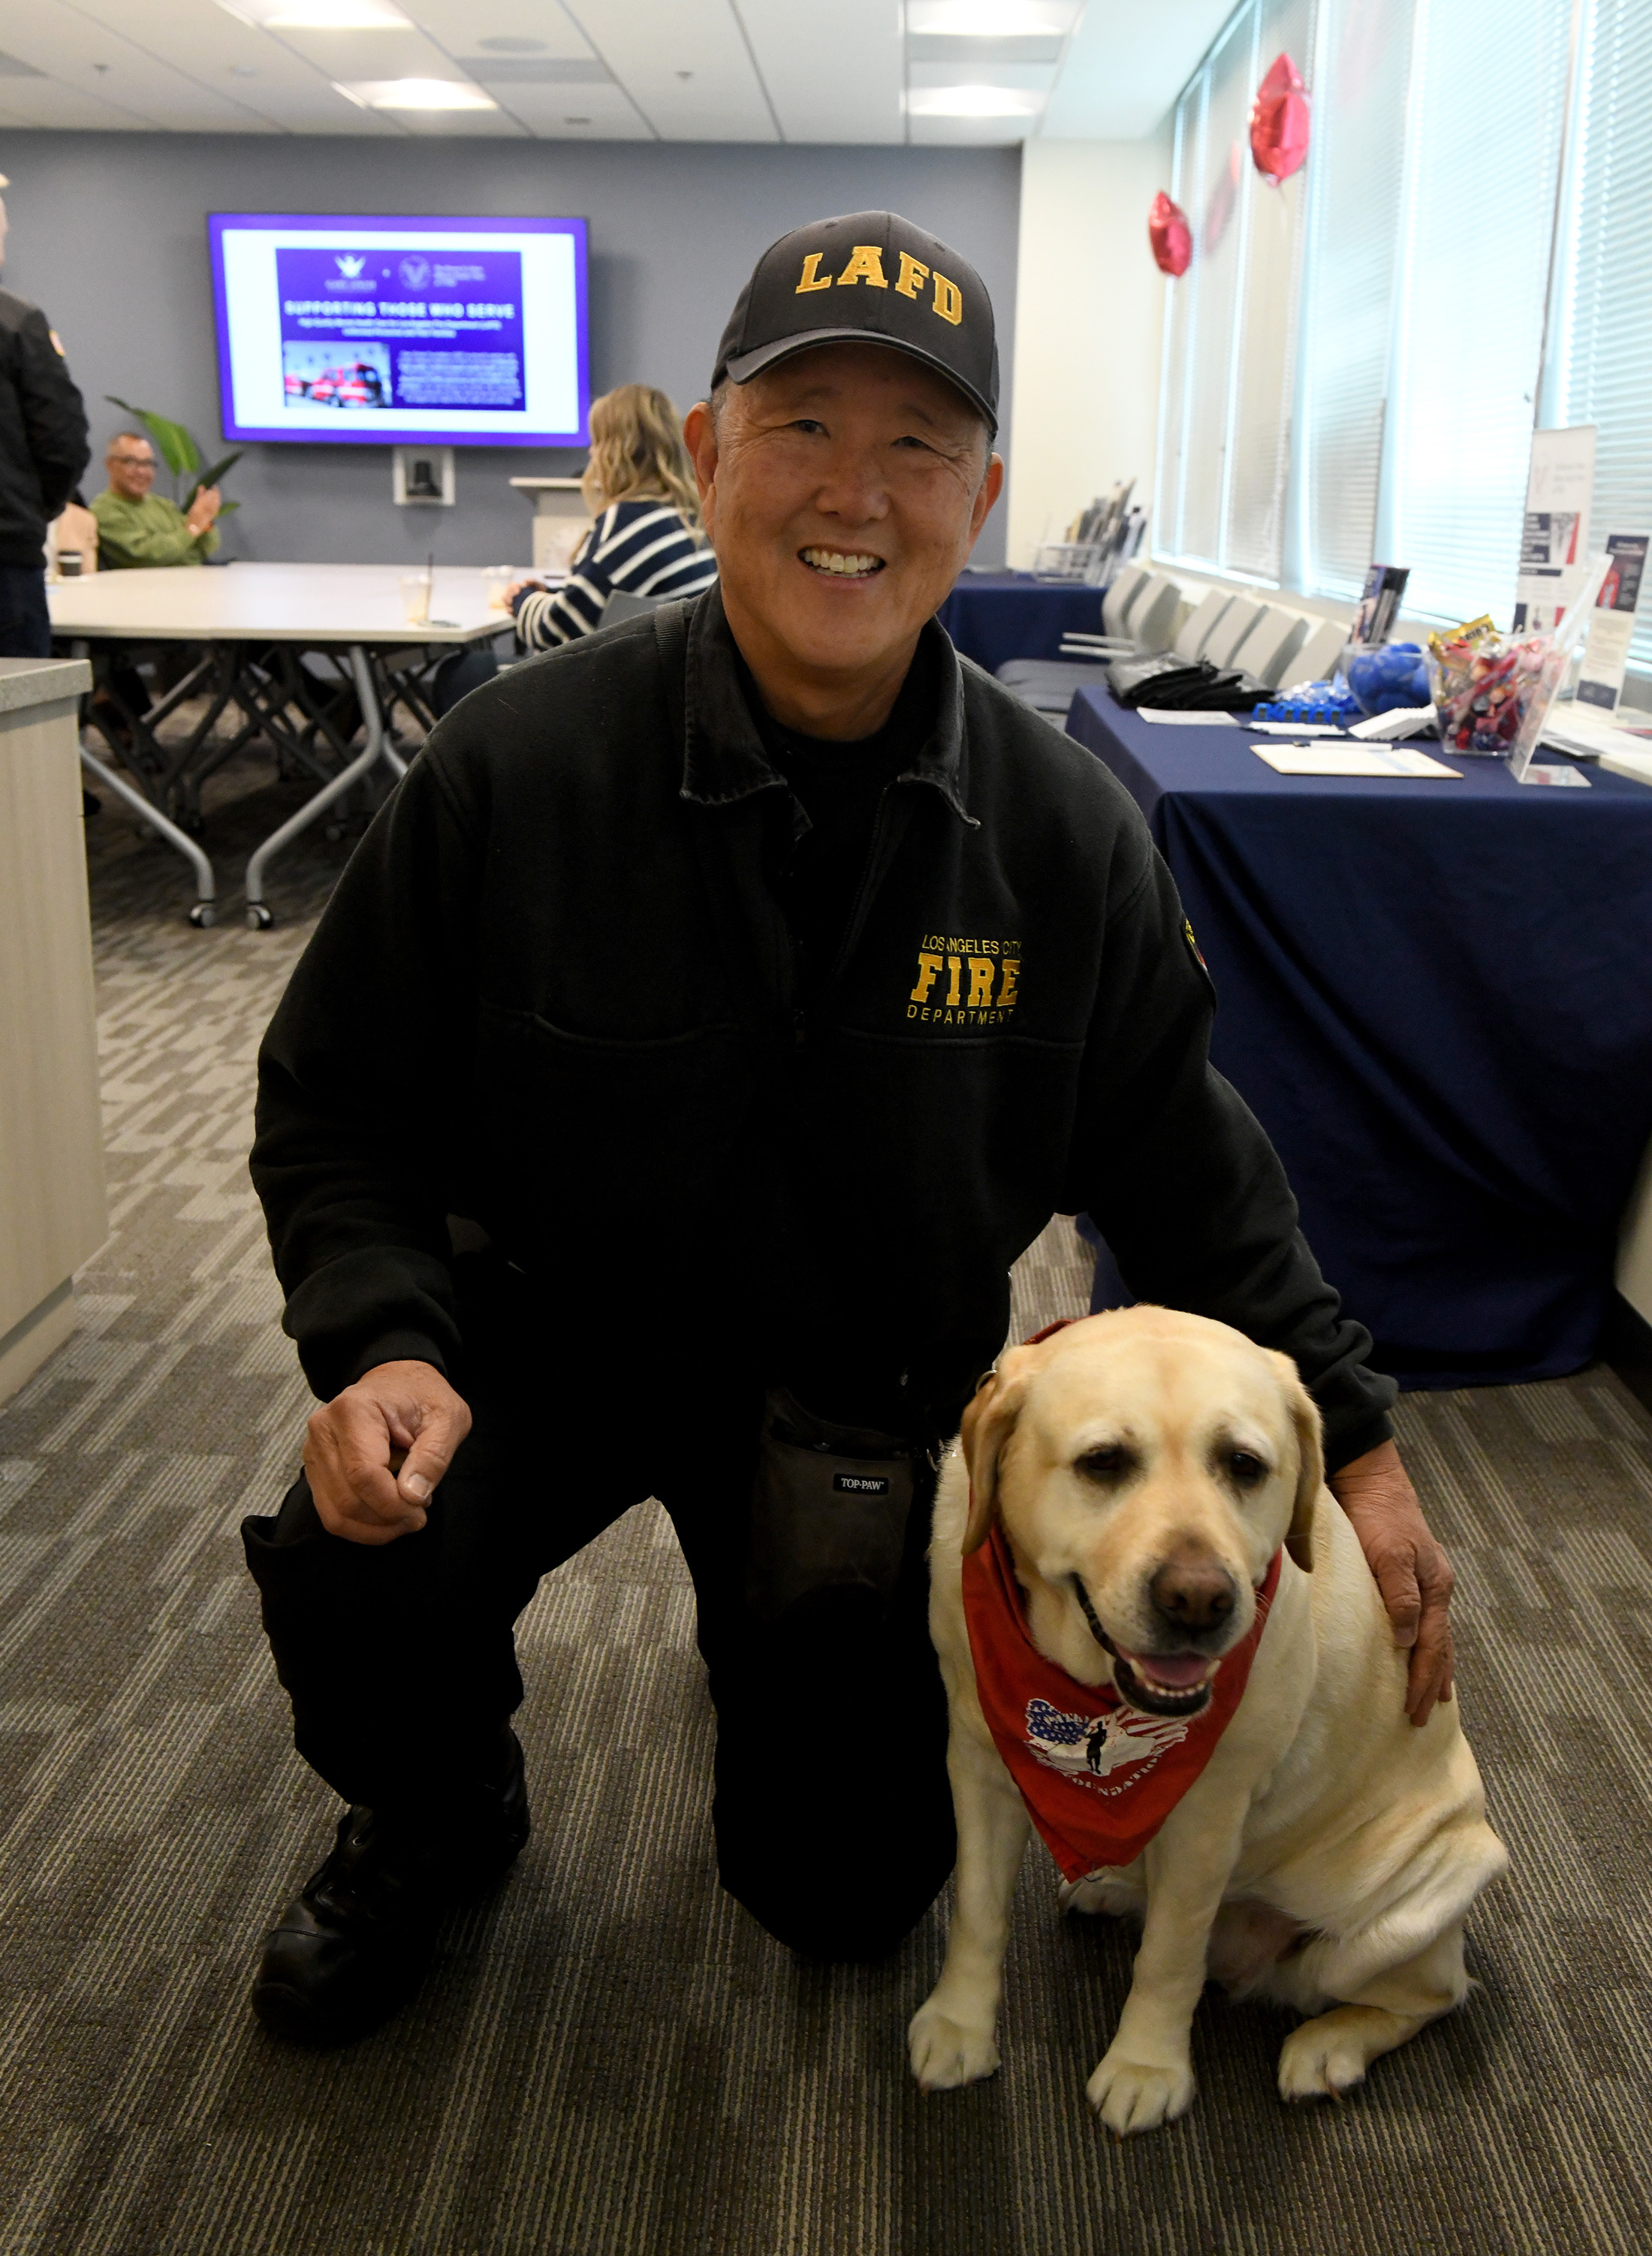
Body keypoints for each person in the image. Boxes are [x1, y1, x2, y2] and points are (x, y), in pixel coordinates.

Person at [242, 210, 1456, 2049]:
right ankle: (435, 1801)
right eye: (803, 424)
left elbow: (1186, 1169)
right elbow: (338, 1097)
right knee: (361, 1565)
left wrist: (1351, 1441)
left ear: (979, 500)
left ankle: (777, 1680)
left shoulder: (1060, 838)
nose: (854, 492)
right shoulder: (515, 764)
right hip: (532, 1334)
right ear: (707, 450)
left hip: (854, 1393)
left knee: (843, 1892)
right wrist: (382, 1339)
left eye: (916, 445)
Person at [508, 381, 716, 649]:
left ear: (614, 452)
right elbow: (601, 604)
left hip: (647, 673)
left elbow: (556, 633)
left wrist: (521, 599)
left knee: (471, 668)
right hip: (684, 666)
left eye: (596, 442)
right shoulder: (684, 518)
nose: (591, 452)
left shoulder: (630, 523)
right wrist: (554, 595)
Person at [0, 174, 89, 658]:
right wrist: (35, 512)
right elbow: (61, 440)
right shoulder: (16, 323)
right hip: (5, 557)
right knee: (16, 700)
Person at [92, 430, 219, 568]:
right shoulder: (104, 509)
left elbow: (204, 550)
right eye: (131, 462)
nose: (141, 471)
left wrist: (205, 520)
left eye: (147, 463)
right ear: (110, 465)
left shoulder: (164, 505)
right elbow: (145, 555)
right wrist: (193, 528)